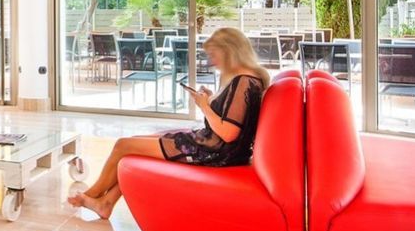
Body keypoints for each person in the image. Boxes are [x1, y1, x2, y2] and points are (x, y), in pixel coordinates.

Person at [69, 27, 271, 219]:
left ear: (229, 52)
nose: (212, 61)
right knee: (137, 142)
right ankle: (106, 203)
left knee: (124, 145)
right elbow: (233, 119)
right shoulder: (249, 78)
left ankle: (93, 194)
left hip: (214, 151)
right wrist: (210, 100)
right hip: (219, 148)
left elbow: (229, 133)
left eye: (214, 55)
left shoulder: (243, 81)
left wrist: (205, 107)